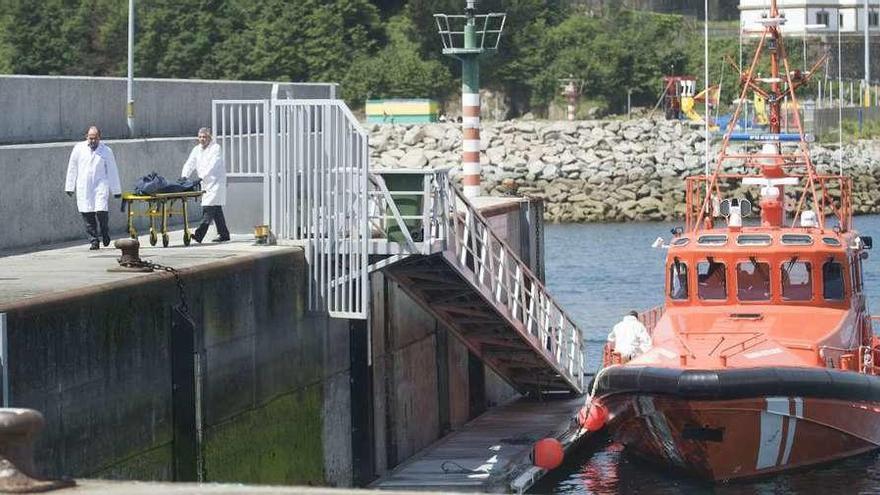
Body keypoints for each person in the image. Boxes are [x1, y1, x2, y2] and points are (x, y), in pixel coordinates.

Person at [64, 126, 122, 250]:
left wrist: (116, 190)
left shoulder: (106, 151)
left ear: (99, 138)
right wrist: (70, 186)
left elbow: (112, 171)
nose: (93, 141)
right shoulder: (78, 148)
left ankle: (105, 232)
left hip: (100, 185)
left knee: (101, 211)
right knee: (87, 214)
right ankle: (94, 240)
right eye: (90, 138)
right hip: (84, 186)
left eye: (95, 138)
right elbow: (72, 168)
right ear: (86, 137)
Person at [181, 127, 229, 243]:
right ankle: (224, 234)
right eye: (200, 137)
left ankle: (199, 235)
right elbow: (190, 163)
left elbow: (212, 165)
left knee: (208, 207)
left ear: (210, 137)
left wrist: (201, 177)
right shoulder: (196, 149)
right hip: (205, 183)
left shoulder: (216, 148)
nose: (202, 139)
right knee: (216, 208)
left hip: (216, 182)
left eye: (205, 137)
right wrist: (184, 176)